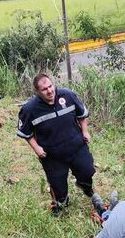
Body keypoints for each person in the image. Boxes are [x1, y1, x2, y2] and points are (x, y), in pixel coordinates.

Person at [17, 73, 98, 215]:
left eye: (50, 86)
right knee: (58, 186)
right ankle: (60, 202)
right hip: (52, 155)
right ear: (37, 92)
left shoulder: (68, 95)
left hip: (76, 146)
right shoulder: (30, 109)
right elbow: (26, 133)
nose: (49, 91)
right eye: (44, 89)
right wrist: (36, 148)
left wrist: (85, 132)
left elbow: (81, 115)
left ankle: (84, 185)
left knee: (87, 171)